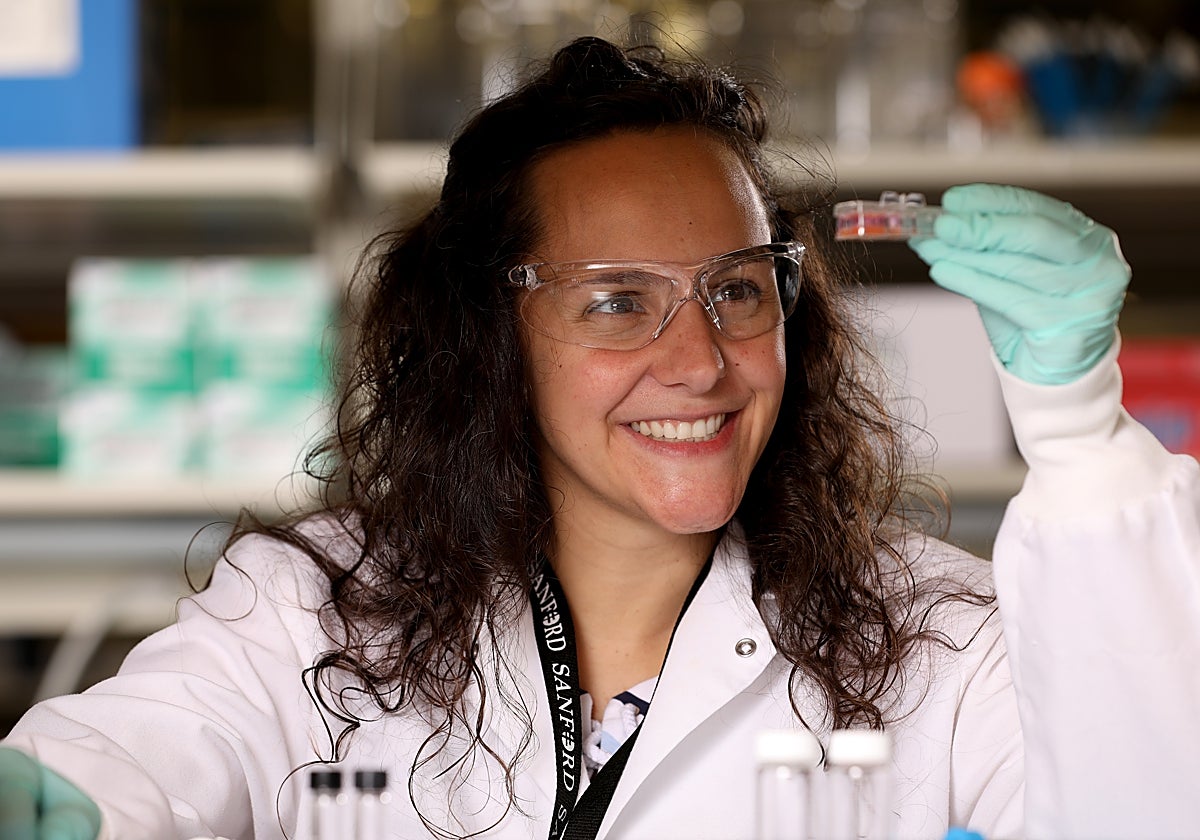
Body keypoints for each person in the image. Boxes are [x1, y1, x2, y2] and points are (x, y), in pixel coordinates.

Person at [2, 36, 1198, 840]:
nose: (699, 360)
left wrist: (1082, 436)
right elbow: (128, 771)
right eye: (618, 300)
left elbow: (1147, 807)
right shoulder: (313, 614)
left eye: (736, 288)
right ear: (491, 332)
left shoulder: (937, 642)